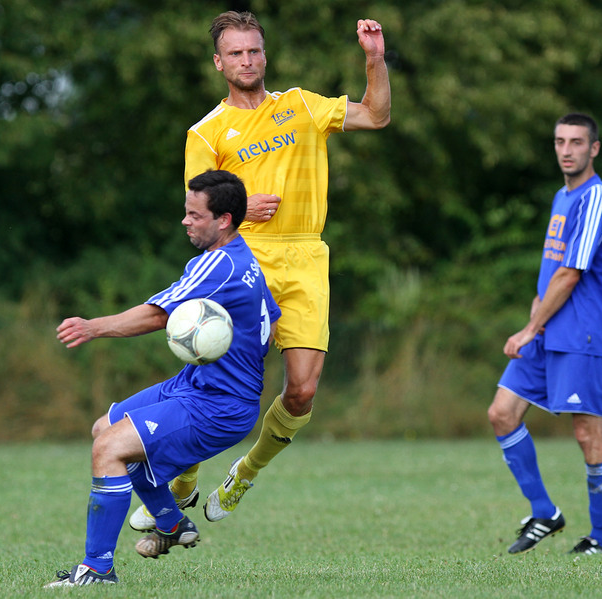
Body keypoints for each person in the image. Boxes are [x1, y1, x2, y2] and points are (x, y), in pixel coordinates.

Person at [128, 10, 391, 530]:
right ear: (219, 62)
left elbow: (376, 115)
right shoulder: (206, 131)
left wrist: (375, 61)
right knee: (214, 378)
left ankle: (245, 473)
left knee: (302, 390)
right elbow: (198, 204)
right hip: (241, 259)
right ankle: (182, 479)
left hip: (305, 256)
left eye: (254, 50)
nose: (247, 60)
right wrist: (244, 207)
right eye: (236, 53)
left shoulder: (301, 106)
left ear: (263, 55)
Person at [46, 170, 281, 587]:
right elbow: (271, 322)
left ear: (223, 219)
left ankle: (97, 570)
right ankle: (172, 523)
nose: (186, 221)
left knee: (109, 449)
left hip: (218, 405)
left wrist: (93, 327)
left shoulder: (220, 264)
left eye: (195, 215)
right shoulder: (243, 260)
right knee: (105, 428)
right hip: (199, 385)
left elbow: (160, 314)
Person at [487, 113, 602, 556]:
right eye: (560, 141)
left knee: (587, 433)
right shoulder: (561, 197)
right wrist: (536, 314)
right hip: (546, 329)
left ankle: (601, 539)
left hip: (580, 335)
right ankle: (545, 512)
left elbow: (570, 273)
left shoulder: (597, 197)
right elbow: (552, 271)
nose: (567, 150)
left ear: (593, 149)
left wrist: (529, 327)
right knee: (502, 412)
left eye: (577, 142)